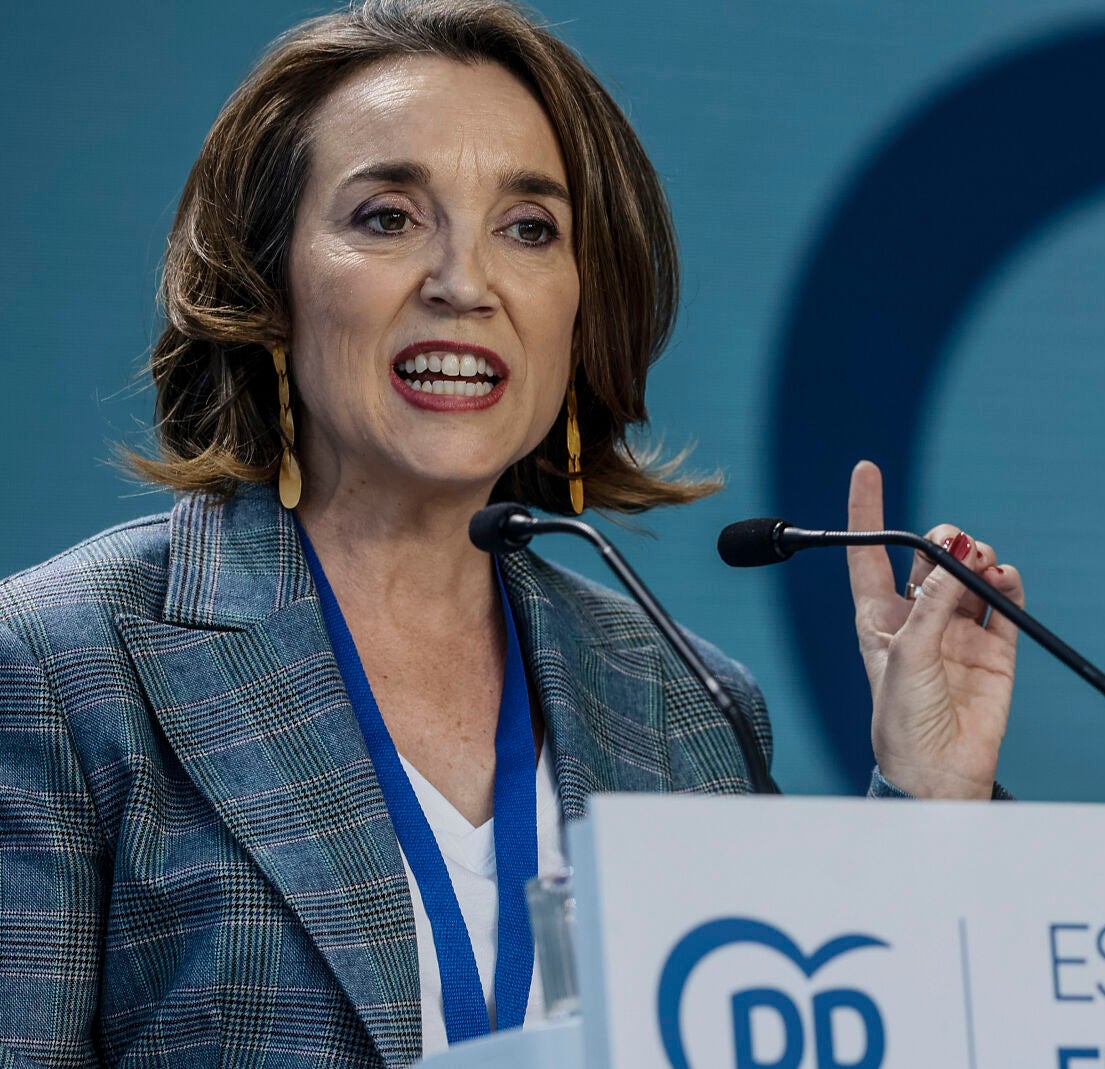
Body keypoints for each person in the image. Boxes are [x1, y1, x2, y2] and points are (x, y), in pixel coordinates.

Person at [0, 0, 1025, 1065]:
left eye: (528, 228)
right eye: (388, 217)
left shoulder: (684, 703)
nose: (464, 284)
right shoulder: (63, 665)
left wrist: (929, 800)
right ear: (267, 281)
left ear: (581, 304)